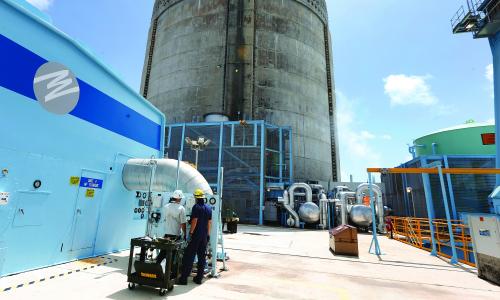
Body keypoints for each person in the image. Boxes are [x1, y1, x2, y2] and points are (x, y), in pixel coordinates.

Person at [178, 188, 212, 285]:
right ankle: (199, 278)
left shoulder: (196, 207)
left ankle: (184, 279)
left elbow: (195, 221)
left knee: (189, 256)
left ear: (196, 197)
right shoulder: (208, 208)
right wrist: (208, 234)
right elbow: (209, 222)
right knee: (202, 257)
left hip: (196, 235)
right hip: (204, 236)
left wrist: (191, 233)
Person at [156, 190, 186, 264]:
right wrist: (185, 234)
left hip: (166, 234)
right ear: (179, 199)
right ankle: (169, 271)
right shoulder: (181, 208)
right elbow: (183, 223)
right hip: (175, 235)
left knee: (163, 252)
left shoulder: (166, 206)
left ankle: (157, 266)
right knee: (172, 254)